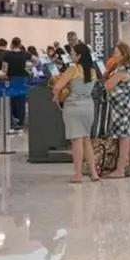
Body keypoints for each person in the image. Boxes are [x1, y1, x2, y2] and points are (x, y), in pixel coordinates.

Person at [51, 43, 100, 183]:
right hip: (88, 106)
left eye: (73, 53)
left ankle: (77, 175)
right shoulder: (93, 71)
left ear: (79, 56)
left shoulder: (73, 69)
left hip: (74, 106)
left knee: (76, 141)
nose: (71, 55)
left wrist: (58, 90)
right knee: (86, 139)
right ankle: (94, 173)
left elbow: (57, 86)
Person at [104, 41, 130, 179]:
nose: (114, 56)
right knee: (129, 135)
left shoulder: (122, 70)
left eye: (116, 53)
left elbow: (108, 86)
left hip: (119, 106)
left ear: (124, 55)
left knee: (123, 137)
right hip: (126, 104)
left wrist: (109, 76)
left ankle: (120, 169)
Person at [2, 37, 31, 132]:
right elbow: (36, 61)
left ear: (11, 44)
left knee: (12, 101)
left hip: (12, 78)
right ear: (19, 44)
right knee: (22, 102)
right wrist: (28, 69)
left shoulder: (7, 55)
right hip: (24, 79)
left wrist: (4, 76)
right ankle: (21, 123)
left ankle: (13, 123)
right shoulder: (26, 54)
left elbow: (4, 69)